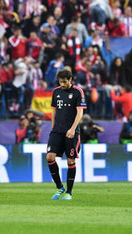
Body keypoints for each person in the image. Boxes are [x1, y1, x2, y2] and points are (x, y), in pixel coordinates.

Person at [46, 69, 86, 200]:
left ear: (70, 80)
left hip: (71, 132)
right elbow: (54, 112)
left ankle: (69, 192)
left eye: (64, 82)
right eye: (60, 82)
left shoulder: (78, 92)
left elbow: (80, 112)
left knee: (70, 160)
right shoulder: (56, 91)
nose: (62, 84)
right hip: (57, 130)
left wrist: (73, 129)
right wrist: (53, 129)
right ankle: (59, 187)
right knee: (50, 157)